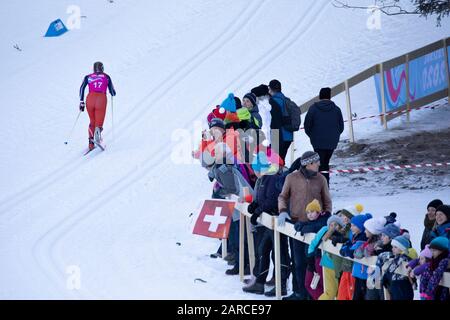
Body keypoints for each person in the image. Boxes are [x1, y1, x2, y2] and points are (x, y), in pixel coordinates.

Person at [278, 151, 332, 300]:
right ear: (308, 164)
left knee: (313, 263)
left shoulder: (321, 179)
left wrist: (325, 217)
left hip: (315, 229)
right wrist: (282, 211)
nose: (320, 164)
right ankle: (299, 292)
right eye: (317, 162)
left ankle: (312, 294)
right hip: (296, 226)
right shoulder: (291, 177)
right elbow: (282, 196)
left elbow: (327, 202)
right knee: (298, 262)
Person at [244, 153, 290, 297]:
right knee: (263, 250)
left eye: (255, 169)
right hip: (269, 222)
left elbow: (272, 200)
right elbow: (261, 197)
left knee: (280, 253)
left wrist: (257, 211)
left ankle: (281, 284)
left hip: (277, 220)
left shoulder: (272, 177)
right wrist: (254, 205)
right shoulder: (264, 179)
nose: (254, 173)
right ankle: (259, 282)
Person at [207, 143, 254, 275]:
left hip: (240, 206)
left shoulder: (224, 167)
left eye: (216, 152)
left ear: (222, 154)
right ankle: (241, 264)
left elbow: (231, 188)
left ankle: (242, 265)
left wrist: (218, 193)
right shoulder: (224, 165)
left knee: (240, 237)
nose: (214, 155)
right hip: (236, 206)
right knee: (238, 236)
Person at [304, 87, 344, 186]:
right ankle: (325, 186)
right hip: (331, 143)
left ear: (320, 96)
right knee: (325, 163)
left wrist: (313, 136)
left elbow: (307, 125)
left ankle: (322, 187)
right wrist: (334, 136)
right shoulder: (336, 109)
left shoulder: (313, 109)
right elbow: (341, 127)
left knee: (320, 164)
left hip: (317, 142)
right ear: (330, 96)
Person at [79, 61, 116, 151]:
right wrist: (112, 92)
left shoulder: (88, 77)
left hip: (90, 99)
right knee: (99, 122)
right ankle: (98, 135)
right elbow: (112, 92)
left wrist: (81, 102)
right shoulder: (106, 77)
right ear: (102, 68)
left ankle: (91, 144)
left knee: (92, 121)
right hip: (101, 98)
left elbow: (82, 88)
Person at [268, 80, 293, 162]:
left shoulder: (272, 101)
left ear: (270, 89)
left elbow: (274, 120)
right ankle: (281, 173)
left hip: (278, 135)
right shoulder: (287, 100)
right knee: (281, 160)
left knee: (274, 162)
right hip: (288, 135)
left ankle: (278, 173)